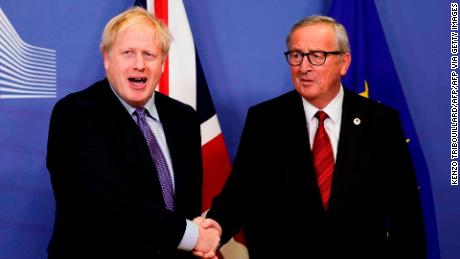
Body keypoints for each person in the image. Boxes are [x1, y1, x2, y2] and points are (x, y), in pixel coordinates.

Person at [204, 15, 426, 258]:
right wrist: (215, 228)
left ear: (344, 62)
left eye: (317, 56)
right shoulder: (266, 120)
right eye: (296, 55)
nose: (304, 67)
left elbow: (405, 214)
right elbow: (240, 194)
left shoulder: (380, 122)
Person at [46, 7, 220, 259]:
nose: (139, 65)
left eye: (149, 54)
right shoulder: (75, 114)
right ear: (107, 58)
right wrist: (195, 236)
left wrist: (199, 240)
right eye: (128, 53)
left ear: (163, 62)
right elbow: (110, 201)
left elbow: (186, 206)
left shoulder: (184, 118)